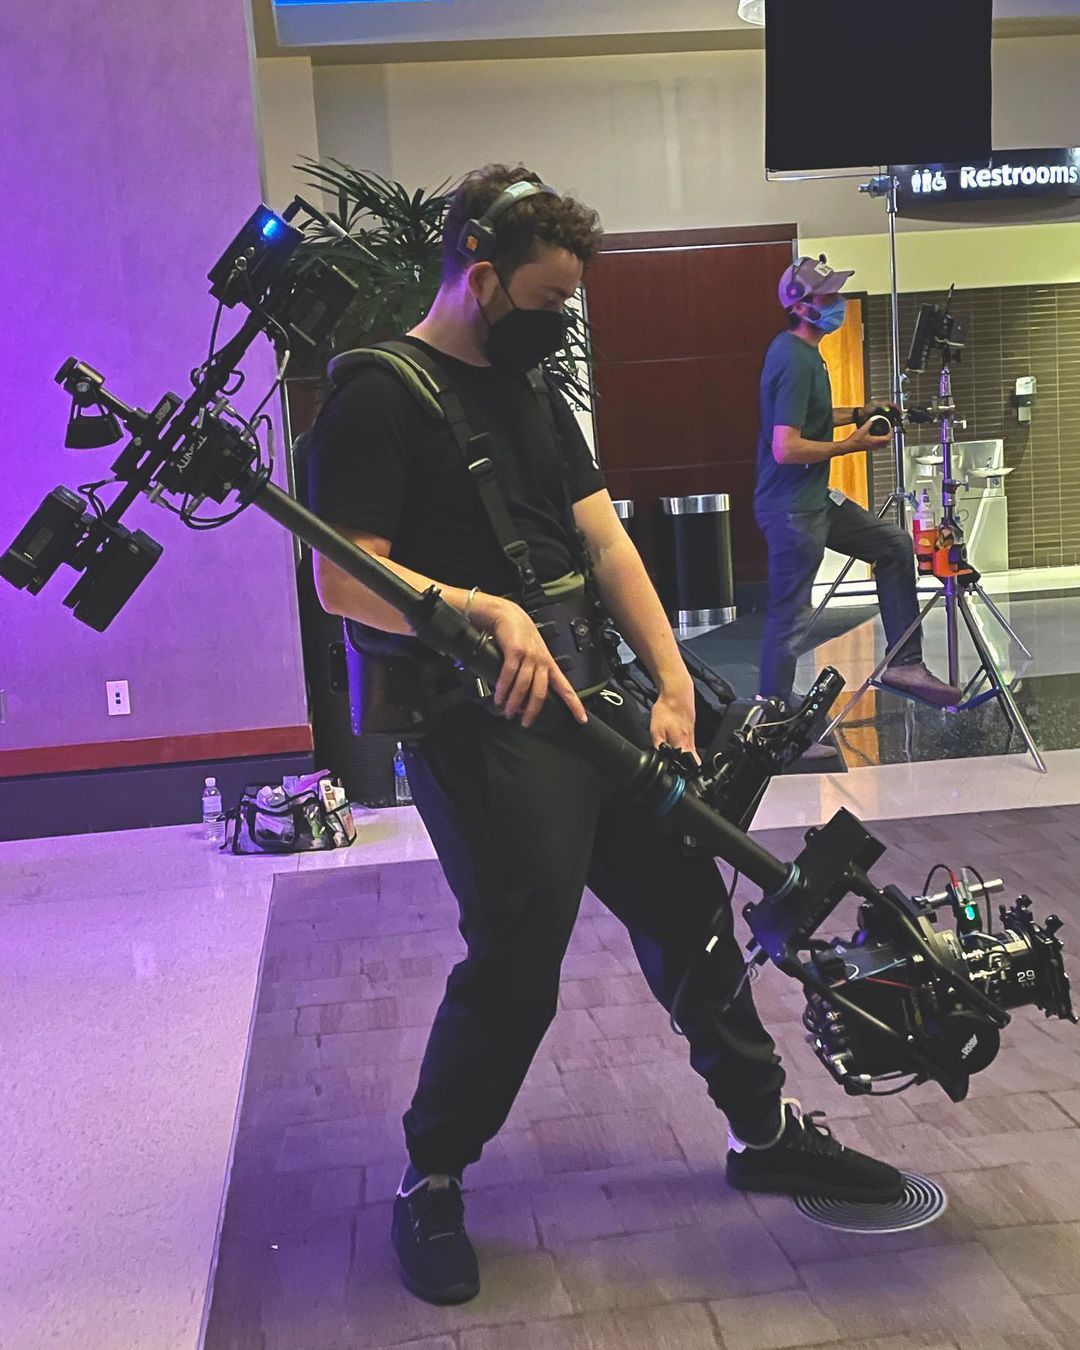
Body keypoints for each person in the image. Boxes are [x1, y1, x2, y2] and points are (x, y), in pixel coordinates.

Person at [308, 168, 904, 1308]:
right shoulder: (378, 396)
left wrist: (673, 680)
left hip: (598, 698)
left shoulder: (531, 391)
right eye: (545, 300)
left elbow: (605, 542)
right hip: (484, 725)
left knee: (689, 906)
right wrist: (480, 609)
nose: (559, 322)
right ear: (480, 275)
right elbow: (344, 577)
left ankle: (764, 1129)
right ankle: (432, 1177)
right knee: (520, 956)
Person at [755, 255, 961, 745]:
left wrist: (860, 412)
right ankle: (771, 725)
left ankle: (904, 664)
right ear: (800, 306)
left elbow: (811, 416)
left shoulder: (804, 352)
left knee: (892, 545)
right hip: (793, 508)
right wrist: (853, 445)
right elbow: (786, 447)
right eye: (828, 296)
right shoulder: (793, 357)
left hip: (814, 500)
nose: (838, 303)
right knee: (790, 616)